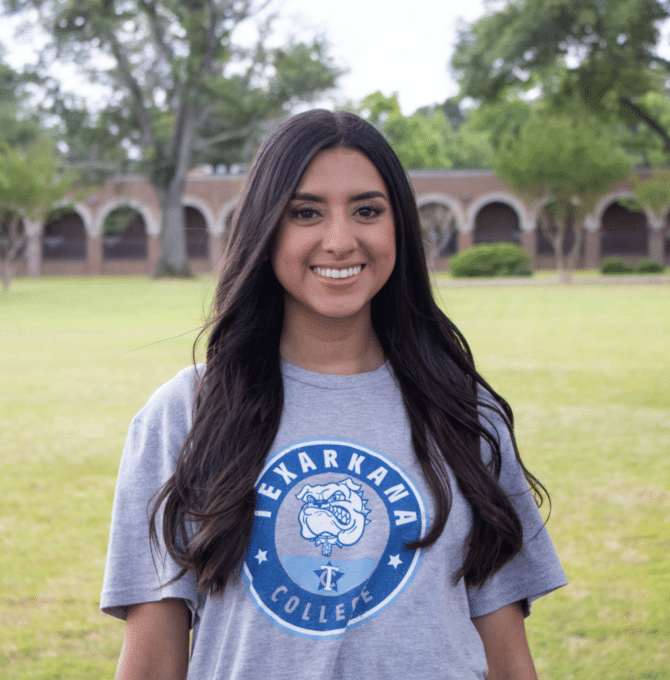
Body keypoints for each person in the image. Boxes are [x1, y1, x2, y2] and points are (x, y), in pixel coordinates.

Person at [101, 109, 567, 680]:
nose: (341, 241)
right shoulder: (185, 414)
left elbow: (509, 660)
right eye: (305, 212)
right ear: (265, 229)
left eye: (368, 210)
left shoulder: (463, 412)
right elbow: (151, 660)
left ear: (399, 228)